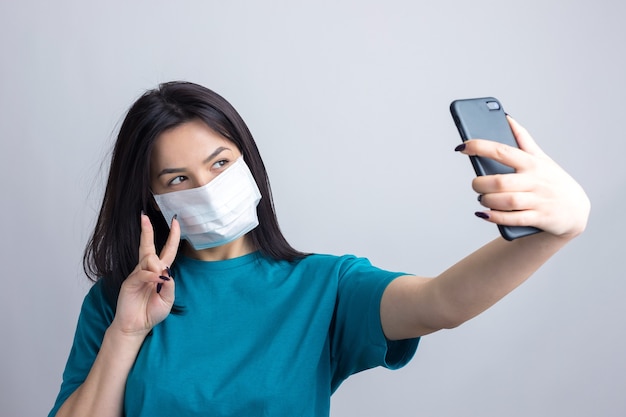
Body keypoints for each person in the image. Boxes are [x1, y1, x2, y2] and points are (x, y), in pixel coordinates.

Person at [49, 81, 590, 417]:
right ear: (152, 198)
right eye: (177, 179)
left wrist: (558, 230)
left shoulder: (325, 286)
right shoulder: (119, 303)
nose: (205, 187)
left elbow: (441, 303)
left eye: (219, 164)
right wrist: (126, 332)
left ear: (249, 164)